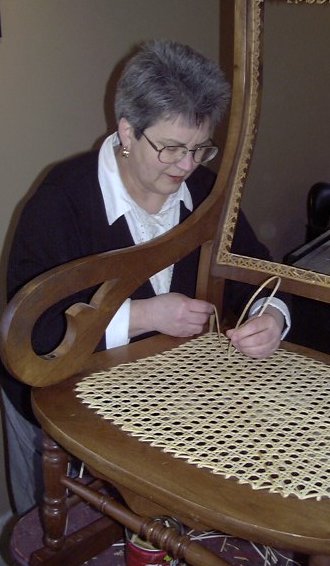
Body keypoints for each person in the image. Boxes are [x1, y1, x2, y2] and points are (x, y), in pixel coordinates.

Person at [1, 39, 290, 518]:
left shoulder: (203, 191)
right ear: (128, 132)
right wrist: (142, 314)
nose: (189, 165)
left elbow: (257, 271)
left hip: (151, 405)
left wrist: (271, 315)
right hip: (51, 401)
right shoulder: (61, 199)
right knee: (52, 526)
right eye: (172, 148)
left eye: (200, 147)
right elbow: (30, 331)